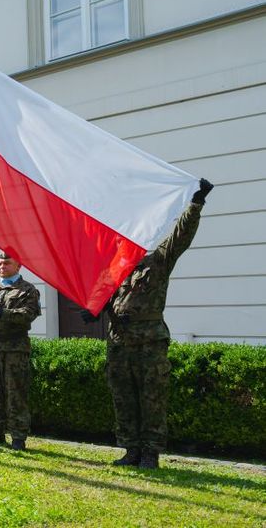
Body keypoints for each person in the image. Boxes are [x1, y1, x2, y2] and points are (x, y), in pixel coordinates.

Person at [83, 178, 212, 469]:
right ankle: (131, 450)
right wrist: (92, 311)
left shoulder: (158, 263)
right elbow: (98, 300)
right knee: (123, 398)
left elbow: (180, 236)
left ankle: (151, 454)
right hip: (118, 343)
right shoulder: (114, 272)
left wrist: (196, 204)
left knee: (152, 398)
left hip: (148, 342)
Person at [0, 253, 41, 450]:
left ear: (18, 266)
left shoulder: (27, 290)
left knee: (16, 393)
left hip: (14, 348)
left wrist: (1, 312)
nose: (2, 267)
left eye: (7, 263)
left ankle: (18, 436)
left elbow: (27, 315)